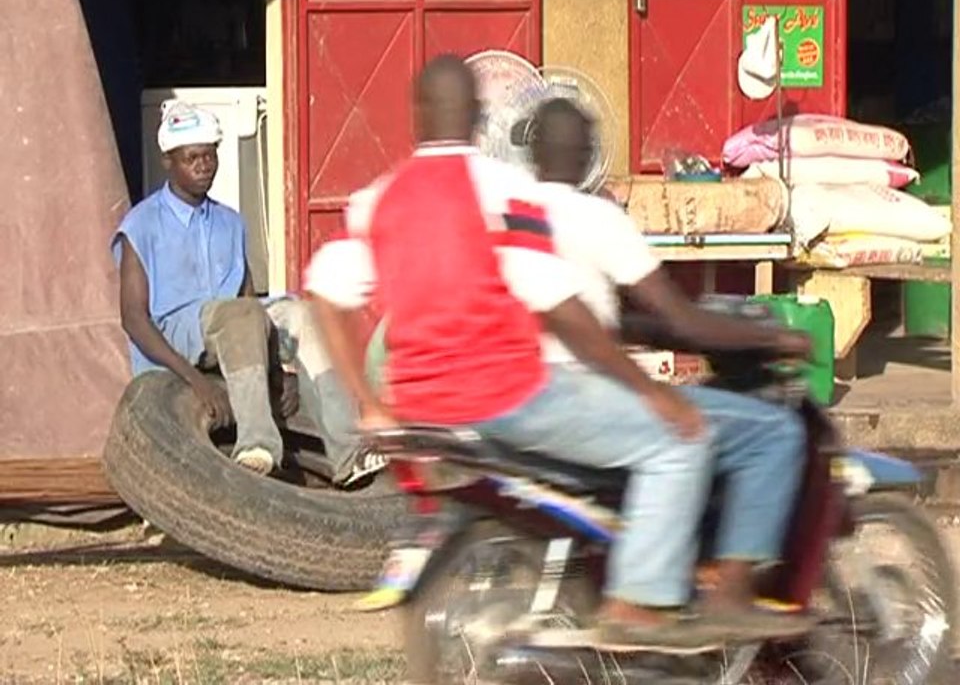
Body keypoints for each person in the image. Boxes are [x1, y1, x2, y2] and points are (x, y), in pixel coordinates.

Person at [307, 54, 783, 650]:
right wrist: (651, 392)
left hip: (424, 412)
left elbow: (324, 293)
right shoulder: (506, 192)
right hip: (512, 399)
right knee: (681, 439)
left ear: (415, 116)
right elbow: (557, 304)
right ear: (483, 117)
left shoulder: (378, 200)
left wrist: (369, 401)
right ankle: (641, 607)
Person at [526, 97, 811, 630]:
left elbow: (588, 315)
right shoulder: (597, 215)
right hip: (582, 393)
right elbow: (683, 320)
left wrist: (647, 332)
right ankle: (730, 595)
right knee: (772, 433)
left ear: (531, 152)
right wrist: (772, 336)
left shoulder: (510, 212)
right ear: (589, 155)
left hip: (524, 391)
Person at [111, 101, 384, 484]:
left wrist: (281, 371)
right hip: (176, 331)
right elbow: (133, 319)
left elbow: (249, 298)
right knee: (239, 313)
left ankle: (349, 450)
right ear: (169, 161)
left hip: (234, 325)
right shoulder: (142, 224)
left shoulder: (230, 221)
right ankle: (257, 443)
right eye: (192, 158)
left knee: (304, 313)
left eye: (210, 155)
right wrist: (196, 380)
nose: (204, 165)